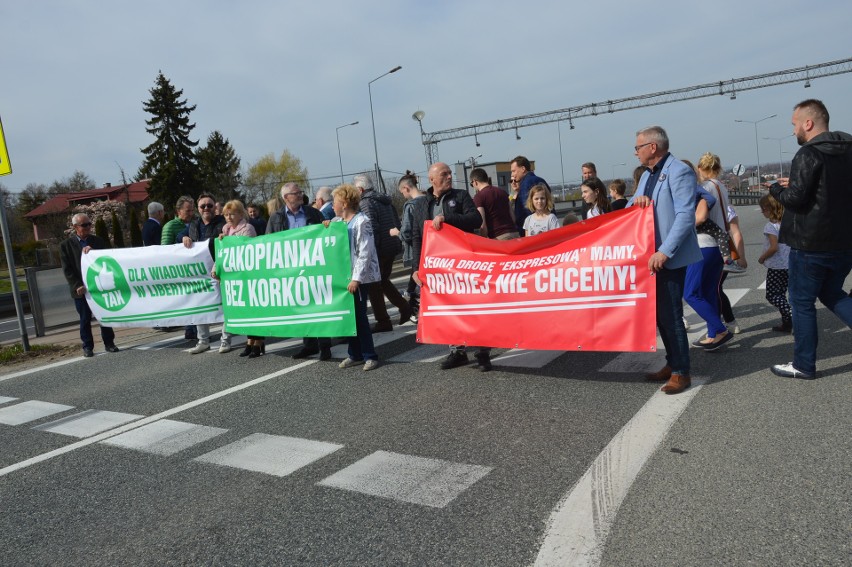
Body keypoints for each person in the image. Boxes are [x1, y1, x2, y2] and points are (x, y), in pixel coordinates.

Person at [766, 99, 852, 379]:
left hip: (810, 244)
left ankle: (804, 364)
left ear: (808, 123)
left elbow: (796, 199)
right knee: (832, 293)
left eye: (794, 124)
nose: (793, 131)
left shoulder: (808, 154)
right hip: (844, 242)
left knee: (801, 303)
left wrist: (777, 190)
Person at [629, 126, 702, 394]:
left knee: (671, 316)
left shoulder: (679, 171)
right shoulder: (647, 176)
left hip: (668, 257)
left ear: (653, 147)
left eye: (638, 147)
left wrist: (666, 251)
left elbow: (685, 215)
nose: (635, 152)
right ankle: (672, 363)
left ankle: (682, 372)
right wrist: (637, 203)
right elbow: (630, 208)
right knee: (660, 316)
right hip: (650, 257)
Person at [409, 162, 488, 371]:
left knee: (474, 306)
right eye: (444, 174)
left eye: (450, 173)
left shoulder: (460, 196)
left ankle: (482, 352)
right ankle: (457, 351)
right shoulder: (421, 205)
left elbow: (475, 219)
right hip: (440, 267)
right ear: (432, 180)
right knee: (450, 308)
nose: (450, 177)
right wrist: (417, 267)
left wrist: (448, 219)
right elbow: (418, 237)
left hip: (465, 263)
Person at [267, 182, 332, 360]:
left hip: (313, 266)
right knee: (302, 307)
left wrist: (327, 226)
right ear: (286, 197)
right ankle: (309, 345)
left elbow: (325, 235)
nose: (301, 196)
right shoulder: (276, 218)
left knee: (318, 305)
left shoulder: (313, 213)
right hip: (291, 270)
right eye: (297, 193)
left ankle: (325, 345)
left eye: (301, 192)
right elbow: (268, 243)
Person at [328, 184, 381, 372]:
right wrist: (327, 227)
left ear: (344, 203)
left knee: (359, 317)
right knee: (348, 318)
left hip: (357, 279)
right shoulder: (338, 222)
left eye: (334, 202)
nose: (332, 205)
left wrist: (357, 279)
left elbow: (365, 252)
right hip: (344, 277)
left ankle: (369, 355)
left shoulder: (362, 221)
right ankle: (355, 354)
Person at [353, 174, 412, 333]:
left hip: (378, 248)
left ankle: (383, 320)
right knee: (383, 281)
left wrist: (371, 251)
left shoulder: (366, 202)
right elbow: (396, 222)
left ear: (361, 189)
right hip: (391, 246)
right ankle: (404, 306)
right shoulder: (385, 200)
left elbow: (371, 227)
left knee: (374, 285)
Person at [688, 152, 733, 351]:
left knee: (691, 293)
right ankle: (712, 335)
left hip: (703, 244)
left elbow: (701, 216)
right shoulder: (722, 187)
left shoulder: (704, 188)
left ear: (700, 168)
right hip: (718, 246)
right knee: (709, 292)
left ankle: (719, 329)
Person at [60, 213, 119, 358]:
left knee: (104, 316)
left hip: (98, 287)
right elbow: (67, 269)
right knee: (85, 318)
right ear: (75, 227)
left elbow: (108, 258)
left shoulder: (98, 241)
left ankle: (109, 343)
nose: (87, 227)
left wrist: (94, 253)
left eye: (89, 224)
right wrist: (77, 285)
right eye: (83, 225)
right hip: (81, 289)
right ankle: (87, 346)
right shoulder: (65, 246)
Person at [212, 200, 263, 356]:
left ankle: (258, 342)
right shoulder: (225, 230)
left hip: (247, 276)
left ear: (241, 214)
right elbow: (222, 254)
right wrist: (216, 269)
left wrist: (228, 242)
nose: (228, 217)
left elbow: (245, 250)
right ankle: (249, 341)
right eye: (226, 215)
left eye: (232, 214)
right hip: (234, 278)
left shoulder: (247, 229)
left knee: (254, 310)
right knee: (244, 311)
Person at [179, 193, 226, 354]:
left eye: (210, 205)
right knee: (200, 307)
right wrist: (184, 237)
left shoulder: (222, 223)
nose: (206, 208)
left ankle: (225, 340)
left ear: (215, 207)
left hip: (220, 271)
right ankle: (203, 340)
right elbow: (178, 236)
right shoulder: (193, 225)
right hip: (199, 273)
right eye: (203, 206)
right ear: (198, 209)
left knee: (225, 306)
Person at [390, 171, 426, 317]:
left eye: (401, 191)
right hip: (430, 248)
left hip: (415, 250)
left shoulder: (410, 205)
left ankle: (413, 309)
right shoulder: (428, 200)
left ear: (406, 188)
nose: (402, 195)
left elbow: (407, 232)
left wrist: (395, 232)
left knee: (415, 282)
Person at [757, 194, 792, 333]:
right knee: (781, 294)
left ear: (771, 209)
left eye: (763, 209)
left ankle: (790, 314)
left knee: (772, 295)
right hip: (789, 264)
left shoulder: (770, 226)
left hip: (777, 266)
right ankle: (787, 323)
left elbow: (773, 247)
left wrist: (762, 258)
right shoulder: (787, 222)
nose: (762, 212)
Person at [470, 167, 518, 240]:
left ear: (475, 181)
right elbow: (513, 217)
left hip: (498, 237)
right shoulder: (502, 192)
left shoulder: (479, 197)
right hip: (514, 234)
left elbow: (482, 224)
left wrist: (484, 239)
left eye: (471, 183)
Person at [510, 156, 550, 236]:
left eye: (514, 171)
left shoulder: (526, 184)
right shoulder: (541, 180)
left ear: (523, 169)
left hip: (533, 231)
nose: (512, 174)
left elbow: (528, 208)